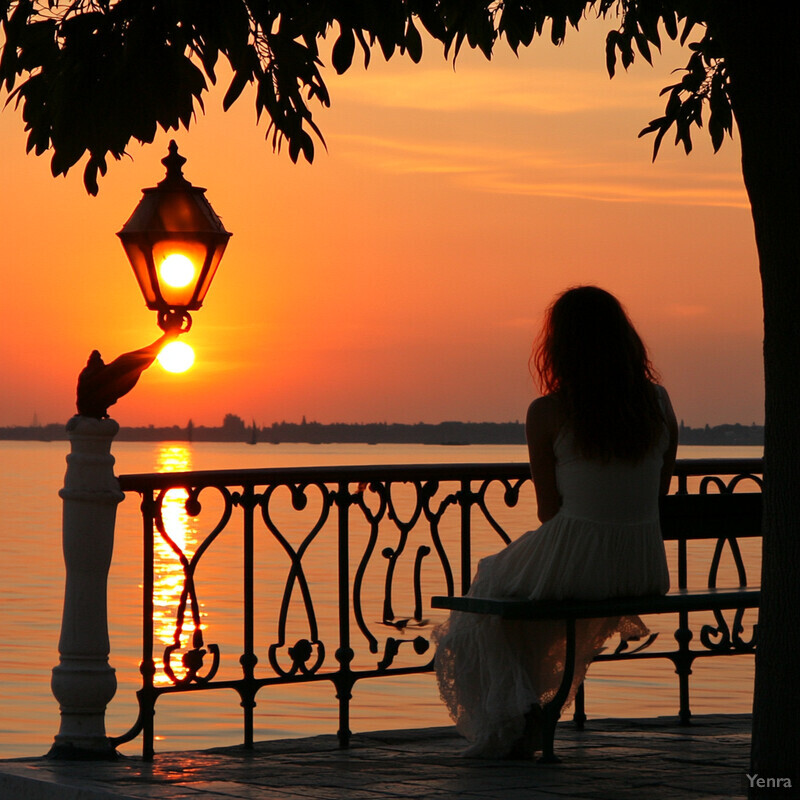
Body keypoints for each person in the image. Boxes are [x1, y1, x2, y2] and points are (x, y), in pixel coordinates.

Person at [432, 285, 678, 759]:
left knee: (485, 597)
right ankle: (527, 715)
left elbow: (549, 511)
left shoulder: (547, 412)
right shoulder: (657, 403)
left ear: (559, 347)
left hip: (582, 559)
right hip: (644, 566)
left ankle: (517, 721)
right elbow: (659, 492)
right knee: (518, 595)